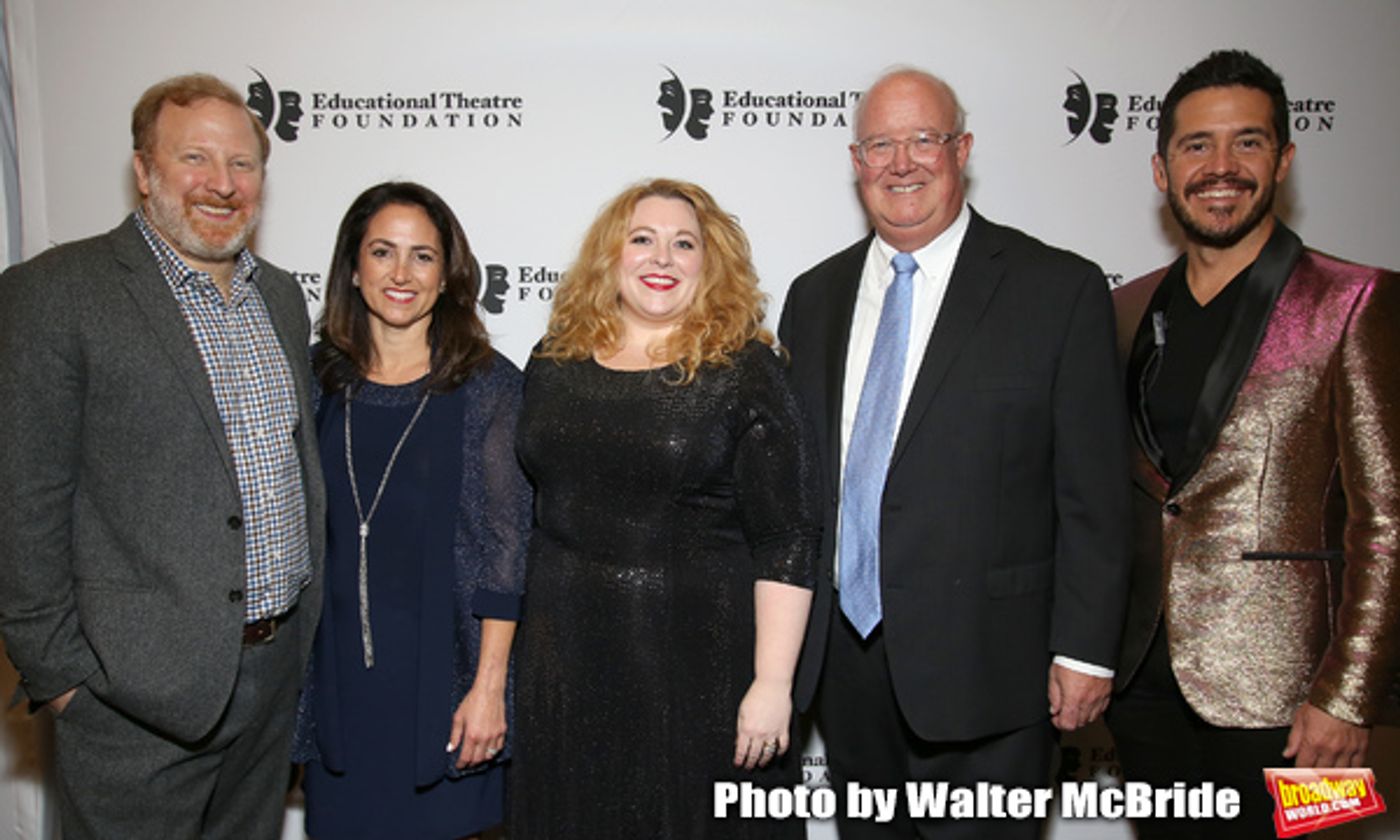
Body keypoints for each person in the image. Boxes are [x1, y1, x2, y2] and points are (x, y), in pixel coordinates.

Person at [779, 68, 1131, 839]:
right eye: (880, 144)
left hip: (994, 673)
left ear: (961, 149)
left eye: (923, 140)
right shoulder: (815, 296)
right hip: (844, 669)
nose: (901, 163)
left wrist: (1086, 651)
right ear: (855, 160)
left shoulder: (1057, 289)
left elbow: (1096, 496)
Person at [0, 73, 324, 839]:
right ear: (144, 171)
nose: (222, 184)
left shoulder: (280, 296)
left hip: (272, 677)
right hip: (129, 699)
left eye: (242, 165)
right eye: (195, 159)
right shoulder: (55, 293)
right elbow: (21, 502)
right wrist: (64, 679)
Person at [1106, 49, 1400, 839]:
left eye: (1248, 142)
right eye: (1196, 146)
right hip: (1143, 689)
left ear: (1285, 159)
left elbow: (1387, 518)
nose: (1221, 166)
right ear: (1163, 170)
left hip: (1293, 699)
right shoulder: (1126, 310)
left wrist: (1348, 695)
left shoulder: (1356, 299)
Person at [510, 178, 819, 839]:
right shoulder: (552, 359)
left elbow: (786, 538)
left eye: (684, 244)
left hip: (696, 671)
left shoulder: (744, 370)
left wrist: (772, 682)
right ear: (609, 255)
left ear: (711, 264)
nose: (662, 259)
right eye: (642, 239)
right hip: (564, 666)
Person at [292, 181, 531, 839]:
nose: (401, 274)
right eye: (383, 252)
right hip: (339, 692)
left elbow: (507, 561)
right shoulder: (312, 380)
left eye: (423, 256)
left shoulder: (487, 386)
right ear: (351, 267)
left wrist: (489, 691)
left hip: (448, 690)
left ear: (448, 275)